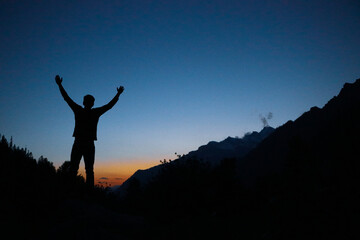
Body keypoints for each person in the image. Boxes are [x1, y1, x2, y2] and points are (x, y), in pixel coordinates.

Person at [55, 75, 124, 187]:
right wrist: (118, 94)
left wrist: (59, 85)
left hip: (79, 142)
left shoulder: (79, 110)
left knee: (76, 168)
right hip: (87, 143)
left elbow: (66, 98)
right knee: (88, 170)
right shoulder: (94, 112)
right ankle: (87, 193)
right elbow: (109, 106)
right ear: (91, 103)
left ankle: (73, 191)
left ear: (84, 102)